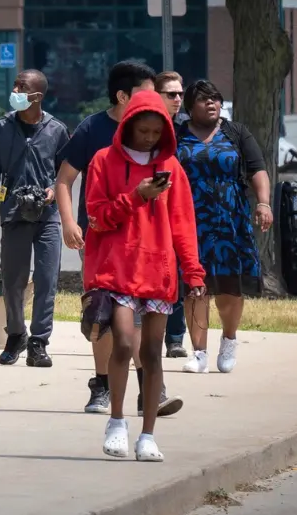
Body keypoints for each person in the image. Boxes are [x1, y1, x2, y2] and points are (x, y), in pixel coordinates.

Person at [83, 90, 206, 462]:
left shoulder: (172, 165)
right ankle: (117, 422)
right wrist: (136, 195)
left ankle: (148, 435)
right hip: (116, 269)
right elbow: (97, 217)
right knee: (122, 343)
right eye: (144, 130)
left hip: (159, 272)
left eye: (157, 132)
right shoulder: (103, 161)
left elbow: (183, 223)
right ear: (128, 125)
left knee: (153, 353)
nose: (150, 138)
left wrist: (194, 273)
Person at [55, 61, 181, 418]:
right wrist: (68, 222)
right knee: (104, 315)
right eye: (146, 95)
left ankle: (149, 389)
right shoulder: (92, 129)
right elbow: (64, 180)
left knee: (139, 320)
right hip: (102, 238)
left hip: (149, 247)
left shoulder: (157, 132)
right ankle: (101, 386)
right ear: (123, 96)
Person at [174, 80, 271, 375]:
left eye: (215, 98)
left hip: (230, 219)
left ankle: (229, 340)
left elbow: (257, 169)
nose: (212, 103)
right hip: (190, 220)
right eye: (204, 100)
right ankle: (199, 352)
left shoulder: (236, 132)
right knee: (195, 286)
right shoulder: (177, 135)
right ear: (190, 107)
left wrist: (264, 203)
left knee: (230, 288)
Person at [0, 69, 69, 367]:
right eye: (15, 84)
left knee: (46, 279)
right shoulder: (0, 128)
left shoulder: (56, 130)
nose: (15, 89)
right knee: (13, 281)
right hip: (14, 214)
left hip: (48, 217)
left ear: (37, 96)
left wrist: (53, 189)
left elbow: (66, 173)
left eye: (21, 86)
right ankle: (16, 334)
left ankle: (39, 342)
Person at [154, 71, 189, 358]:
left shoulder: (187, 129)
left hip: (180, 208)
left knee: (178, 274)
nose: (178, 99)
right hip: (151, 210)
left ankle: (175, 338)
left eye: (180, 94)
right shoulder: (145, 129)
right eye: (171, 94)